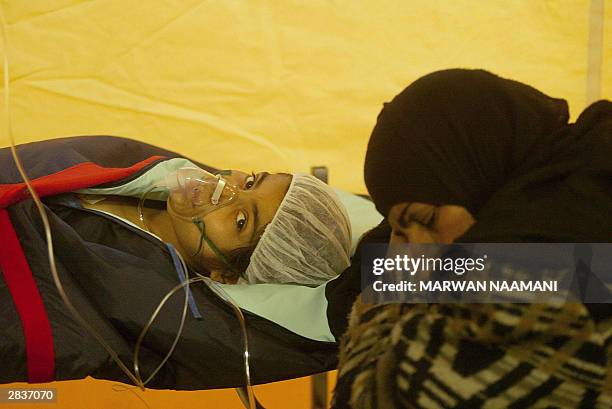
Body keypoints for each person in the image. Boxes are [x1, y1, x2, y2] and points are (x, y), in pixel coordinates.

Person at [332, 69, 612, 407]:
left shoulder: (529, 283)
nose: (409, 253)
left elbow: (371, 398)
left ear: (483, 175)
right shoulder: (585, 197)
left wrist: (390, 289)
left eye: (426, 220)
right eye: (401, 232)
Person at [0, 135, 350, 388]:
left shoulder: (139, 302)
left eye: (240, 220)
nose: (223, 190)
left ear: (225, 274)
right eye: (250, 181)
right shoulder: (138, 167)